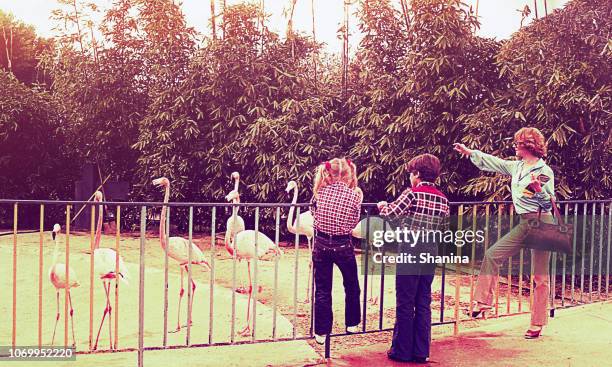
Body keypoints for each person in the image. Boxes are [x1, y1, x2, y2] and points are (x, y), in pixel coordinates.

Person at [454, 127, 555, 339]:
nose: (514, 147)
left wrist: (539, 189)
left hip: (541, 222)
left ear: (527, 146)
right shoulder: (517, 167)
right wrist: (470, 153)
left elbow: (548, 203)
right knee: (492, 254)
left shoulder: (544, 172)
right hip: (524, 223)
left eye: (517, 143)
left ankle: (537, 323)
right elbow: (495, 163)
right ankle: (482, 303)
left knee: (539, 277)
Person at [378, 154, 450, 364]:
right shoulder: (443, 199)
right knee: (423, 301)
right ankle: (421, 351)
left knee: (405, 301)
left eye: (411, 173)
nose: (410, 177)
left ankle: (401, 350)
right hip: (430, 251)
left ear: (417, 174)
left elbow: (391, 215)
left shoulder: (412, 194)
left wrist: (382, 206)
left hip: (410, 249)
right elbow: (444, 229)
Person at [310, 157, 362, 344]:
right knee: (351, 285)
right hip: (342, 245)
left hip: (321, 244)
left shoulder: (320, 192)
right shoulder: (354, 195)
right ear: (348, 174)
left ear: (328, 173)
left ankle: (321, 332)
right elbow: (354, 222)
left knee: (323, 289)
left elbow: (314, 214)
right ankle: (352, 323)